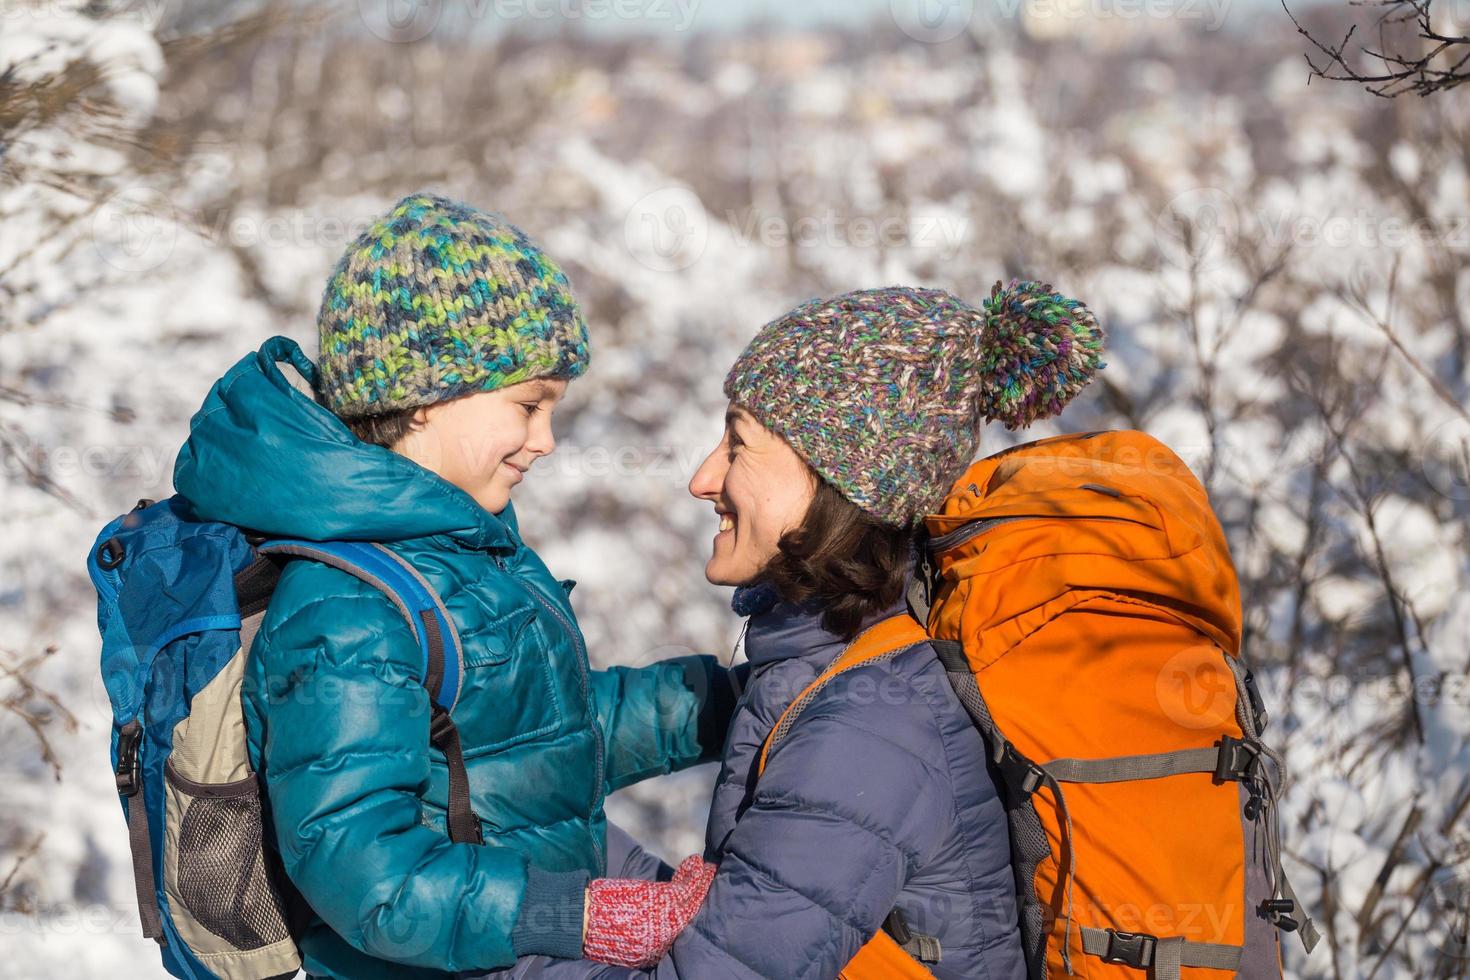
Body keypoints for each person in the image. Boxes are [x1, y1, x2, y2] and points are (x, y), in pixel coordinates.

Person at [171, 193, 738, 979]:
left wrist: (720, 704)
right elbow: (371, 879)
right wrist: (580, 915)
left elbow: (531, 746)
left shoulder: (456, 550)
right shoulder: (348, 609)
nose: (545, 441)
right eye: (529, 406)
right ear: (430, 393)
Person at [480, 281, 1102, 980]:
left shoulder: (867, 731)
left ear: (834, 481)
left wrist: (478, 932)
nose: (702, 477)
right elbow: (736, 941)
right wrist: (518, 839)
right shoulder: (837, 675)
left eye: (738, 444)